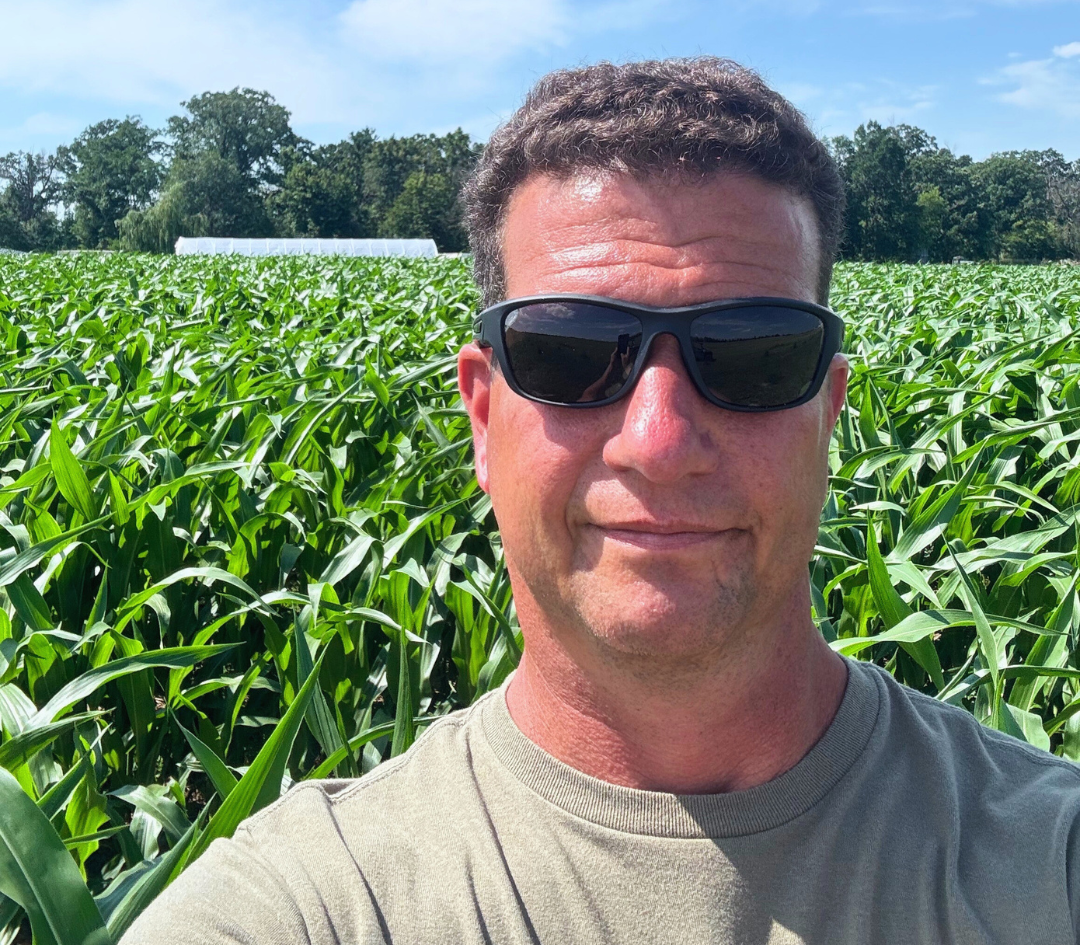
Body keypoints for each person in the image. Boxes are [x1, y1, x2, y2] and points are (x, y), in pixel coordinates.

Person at [124, 58, 1080, 945]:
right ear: (482, 416)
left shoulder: (1049, 866)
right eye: (571, 353)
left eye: (752, 355)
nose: (658, 442)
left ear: (826, 415)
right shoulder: (312, 907)